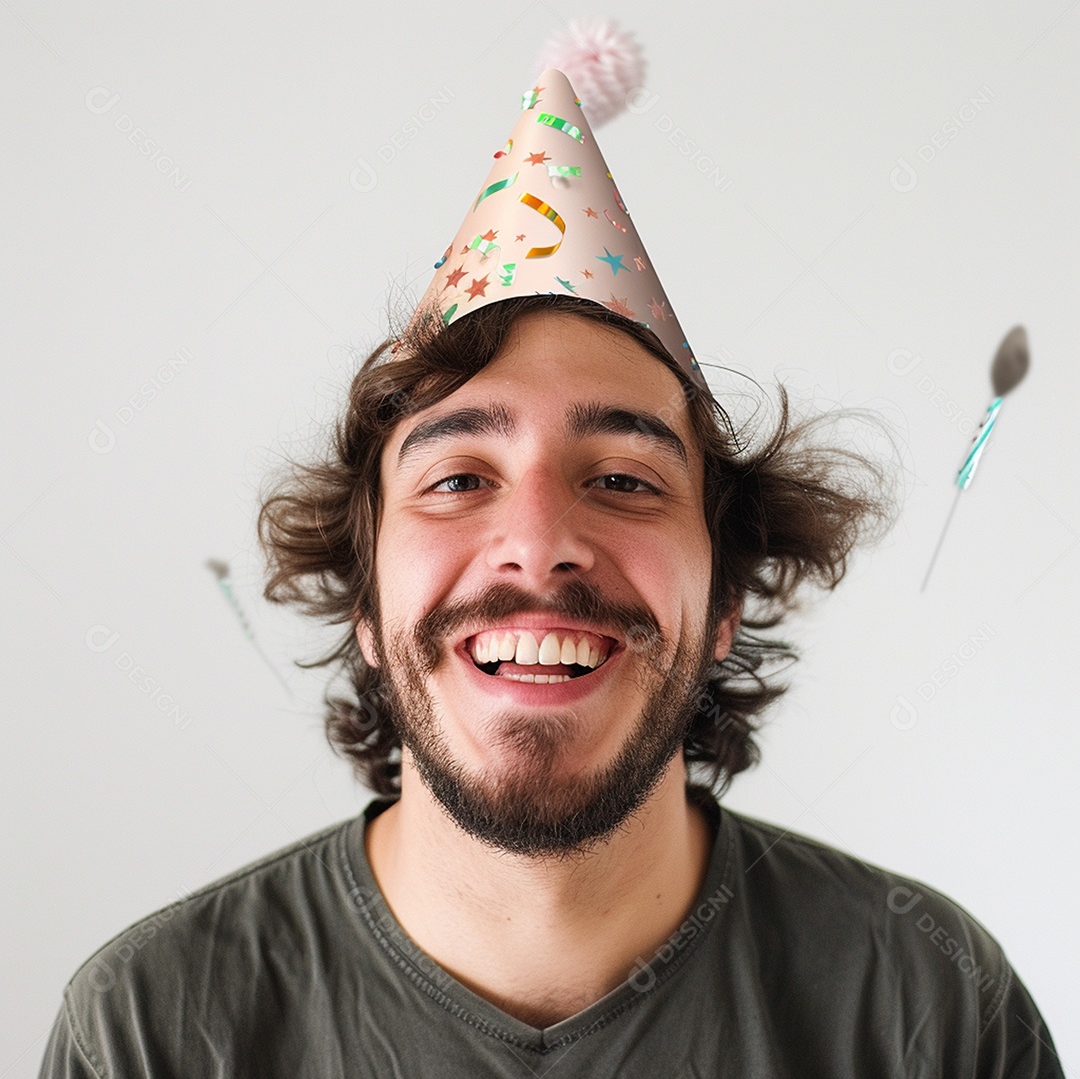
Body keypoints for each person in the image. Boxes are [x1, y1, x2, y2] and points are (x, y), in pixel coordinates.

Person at [41, 70, 1063, 1077]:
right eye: (457, 478)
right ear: (364, 597)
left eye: (622, 478)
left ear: (724, 602)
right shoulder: (148, 1030)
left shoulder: (933, 1013)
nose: (538, 542)